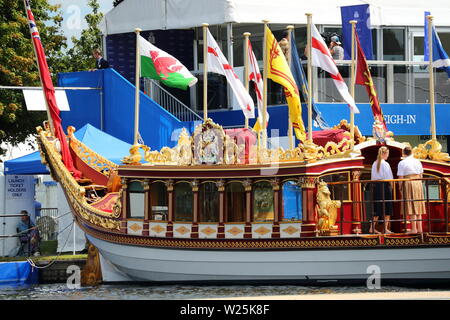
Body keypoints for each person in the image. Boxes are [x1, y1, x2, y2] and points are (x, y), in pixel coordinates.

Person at [397, 145, 426, 233]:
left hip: (408, 182)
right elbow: (421, 175)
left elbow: (400, 177)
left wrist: (400, 187)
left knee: (412, 205)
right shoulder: (418, 161)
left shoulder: (402, 163)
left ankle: (414, 229)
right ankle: (420, 229)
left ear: (403, 153)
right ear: (412, 152)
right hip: (418, 182)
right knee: (418, 206)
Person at [370, 146, 394, 234]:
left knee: (377, 207)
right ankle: (385, 228)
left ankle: (372, 227)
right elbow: (389, 178)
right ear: (384, 153)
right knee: (387, 208)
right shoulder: (385, 164)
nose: (388, 155)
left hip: (376, 186)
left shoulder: (374, 163)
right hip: (385, 186)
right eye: (387, 153)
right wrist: (392, 187)